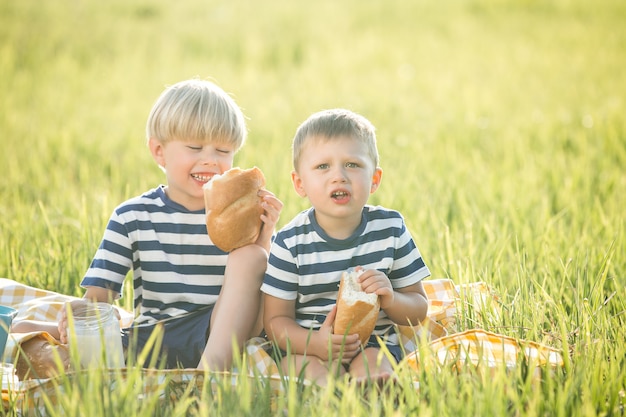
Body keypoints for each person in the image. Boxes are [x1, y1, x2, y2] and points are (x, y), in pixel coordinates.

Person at [13, 78, 283, 371]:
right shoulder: (133, 216)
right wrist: (80, 316)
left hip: (218, 332)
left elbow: (261, 292)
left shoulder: (238, 217)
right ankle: (33, 336)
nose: (210, 160)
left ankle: (209, 378)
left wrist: (263, 238)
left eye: (223, 151)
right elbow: (99, 299)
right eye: (195, 147)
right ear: (159, 152)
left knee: (252, 257)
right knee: (52, 336)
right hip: (151, 337)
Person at [261, 108, 430, 386]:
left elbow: (418, 309)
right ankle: (330, 394)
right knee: (302, 368)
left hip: (374, 342)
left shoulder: (390, 229)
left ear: (374, 179)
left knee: (374, 362)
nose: (338, 176)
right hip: (309, 345)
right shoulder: (290, 243)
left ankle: (372, 389)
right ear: (300, 183)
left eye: (352, 164)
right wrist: (315, 344)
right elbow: (276, 321)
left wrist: (390, 298)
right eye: (322, 166)